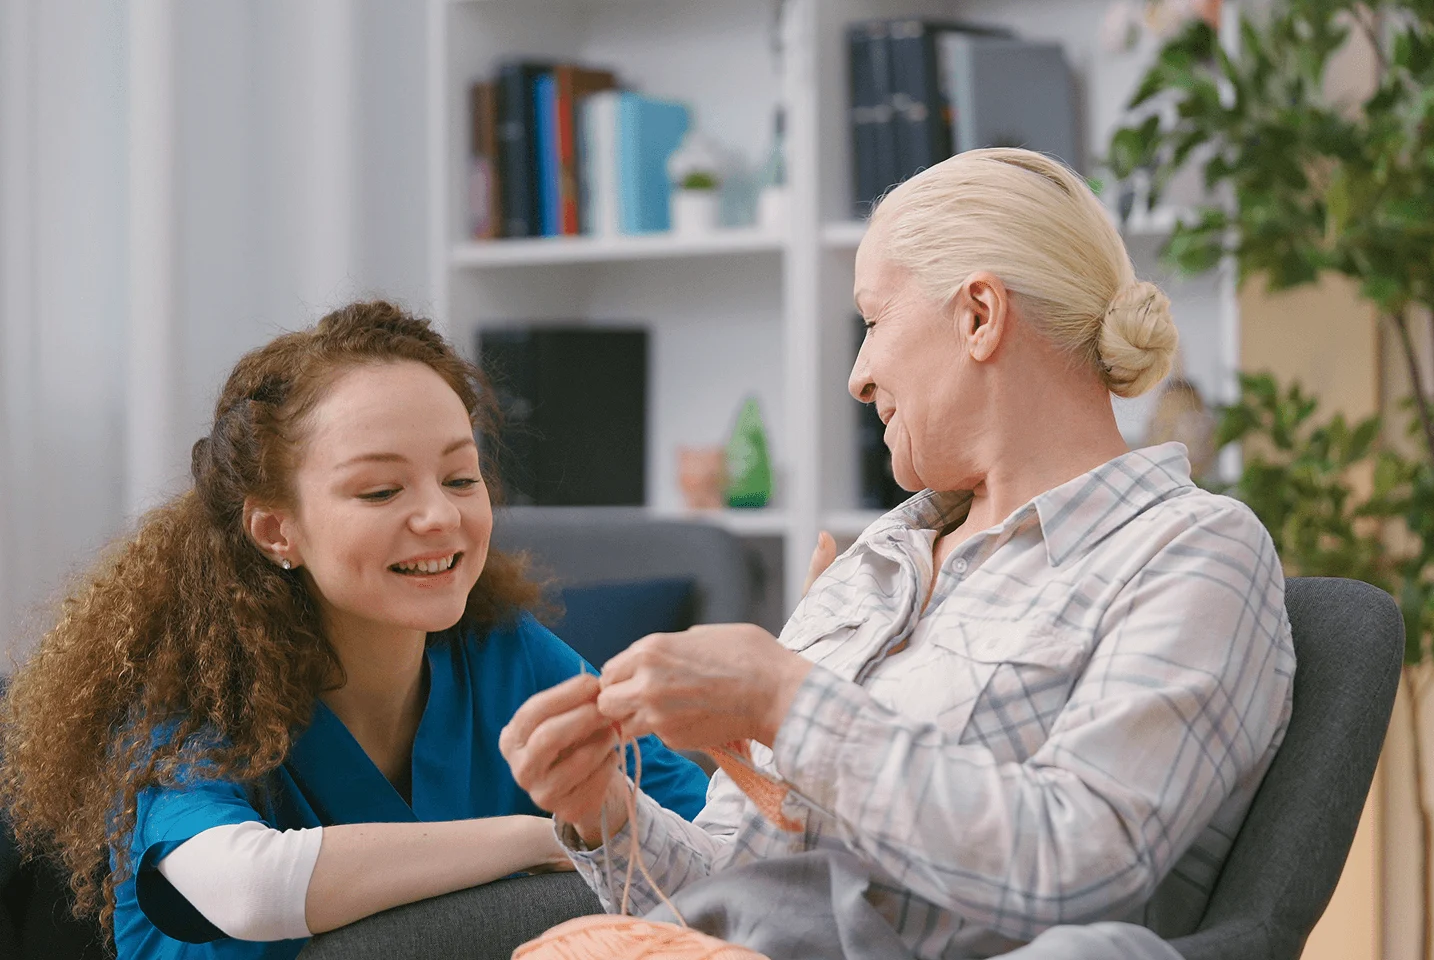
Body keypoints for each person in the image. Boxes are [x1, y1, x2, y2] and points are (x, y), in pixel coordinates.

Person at [500, 148, 1296, 958]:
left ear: (979, 314)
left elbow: (1084, 859)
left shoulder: (1189, 552)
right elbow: (734, 887)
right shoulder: (875, 565)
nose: (857, 374)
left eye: (873, 321)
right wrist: (605, 810)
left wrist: (787, 699)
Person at [0, 302, 709, 960]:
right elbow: (245, 890)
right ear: (277, 529)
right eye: (381, 490)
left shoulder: (504, 653)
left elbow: (704, 834)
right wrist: (540, 839)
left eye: (461, 479)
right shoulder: (191, 695)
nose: (439, 516)